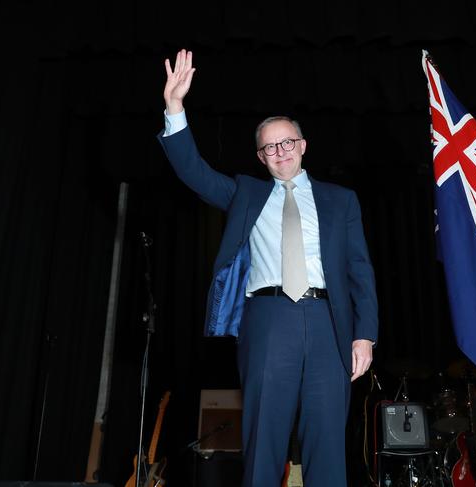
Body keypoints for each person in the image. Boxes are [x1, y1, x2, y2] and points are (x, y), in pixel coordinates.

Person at [158, 49, 378, 487]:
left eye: (287, 143)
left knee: (328, 444)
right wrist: (175, 108)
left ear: (303, 146)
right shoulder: (246, 194)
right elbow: (193, 171)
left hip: (328, 322)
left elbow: (360, 269)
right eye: (269, 147)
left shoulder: (340, 199)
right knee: (263, 443)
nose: (280, 152)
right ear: (261, 157)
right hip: (268, 320)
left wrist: (365, 334)